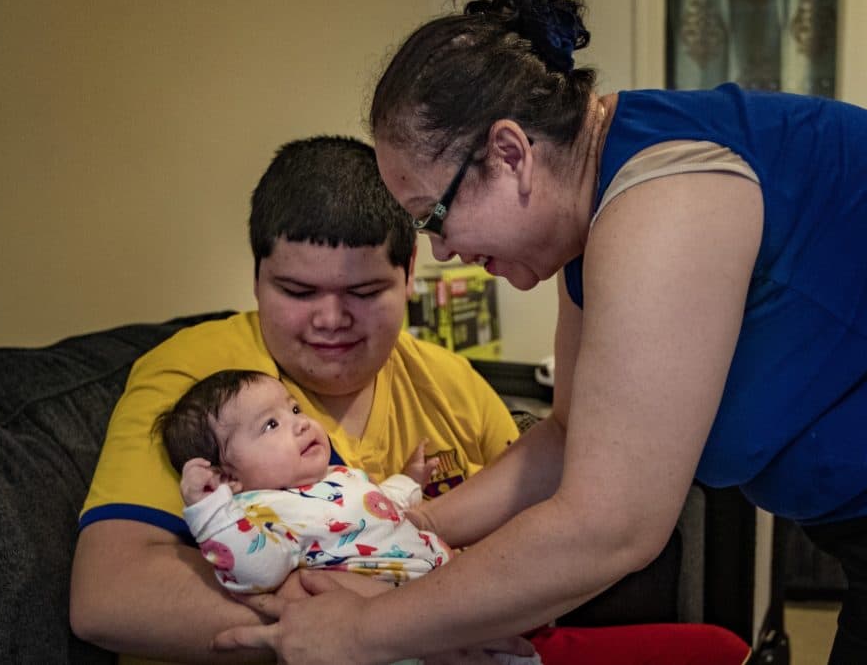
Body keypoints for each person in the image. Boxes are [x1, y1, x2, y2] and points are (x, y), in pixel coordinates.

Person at [211, 0, 867, 664]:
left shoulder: (663, 201)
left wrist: (362, 632)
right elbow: (571, 436)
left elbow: (610, 525)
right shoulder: (602, 204)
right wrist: (404, 526)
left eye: (433, 217)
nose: (441, 252)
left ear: (509, 154)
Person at [69, 136, 526, 665]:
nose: (330, 320)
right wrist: (396, 629)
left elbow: (544, 533)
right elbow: (110, 596)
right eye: (298, 292)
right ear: (257, 279)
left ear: (409, 275)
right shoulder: (198, 380)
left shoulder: (453, 384)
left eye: (363, 292)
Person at [160, 370, 451, 592]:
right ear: (228, 477)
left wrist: (407, 481)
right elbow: (257, 572)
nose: (301, 423)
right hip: (395, 615)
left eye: (295, 409)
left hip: (444, 581)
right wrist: (210, 512)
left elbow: (374, 508)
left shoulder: (334, 474)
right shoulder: (257, 516)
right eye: (271, 424)